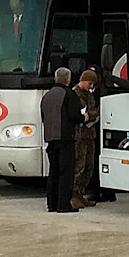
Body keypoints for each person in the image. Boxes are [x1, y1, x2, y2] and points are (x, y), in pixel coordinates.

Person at [40, 66, 81, 213]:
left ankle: (52, 204)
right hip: (65, 138)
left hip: (50, 139)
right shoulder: (69, 94)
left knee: (54, 172)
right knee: (66, 172)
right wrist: (85, 117)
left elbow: (43, 117)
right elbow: (75, 115)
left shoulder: (47, 96)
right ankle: (63, 204)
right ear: (68, 80)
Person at [72, 67, 105, 207]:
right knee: (79, 166)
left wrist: (90, 117)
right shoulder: (74, 95)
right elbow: (78, 115)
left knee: (89, 166)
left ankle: (81, 193)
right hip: (79, 136)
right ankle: (73, 195)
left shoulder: (89, 95)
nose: (91, 87)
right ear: (84, 81)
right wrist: (87, 116)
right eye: (90, 83)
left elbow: (94, 112)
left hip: (90, 134)